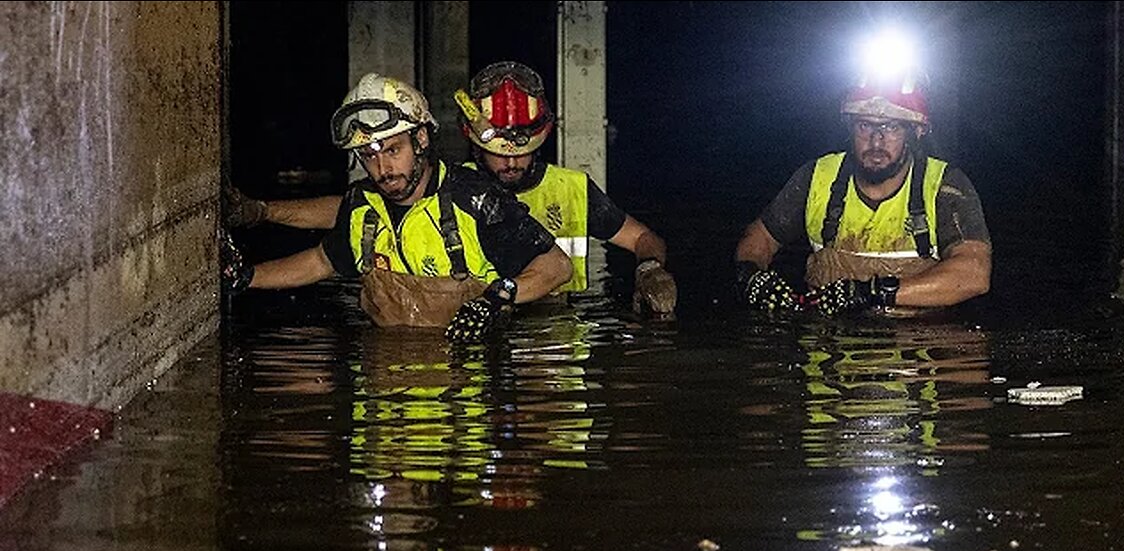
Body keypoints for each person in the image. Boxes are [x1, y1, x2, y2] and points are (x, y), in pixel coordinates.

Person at [225, 61, 677, 316]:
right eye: (497, 151)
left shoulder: (498, 194)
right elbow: (345, 221)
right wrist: (261, 220)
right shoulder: (429, 188)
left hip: (548, 327)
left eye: (393, 151)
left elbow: (610, 247)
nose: (511, 161)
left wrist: (648, 268)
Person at [221, 73, 572, 343]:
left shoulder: (474, 198)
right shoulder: (363, 206)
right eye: (369, 156)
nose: (382, 168)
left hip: (466, 390)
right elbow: (322, 261)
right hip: (386, 383)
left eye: (393, 151)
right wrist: (248, 278)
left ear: (420, 140)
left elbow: (556, 266)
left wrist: (498, 297)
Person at [733, 55, 991, 318]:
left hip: (919, 346)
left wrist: (873, 292)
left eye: (891, 127)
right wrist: (751, 275)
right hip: (830, 342)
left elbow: (974, 274)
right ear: (850, 127)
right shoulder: (818, 178)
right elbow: (758, 239)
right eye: (865, 125)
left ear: (915, 132)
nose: (876, 141)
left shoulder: (944, 187)